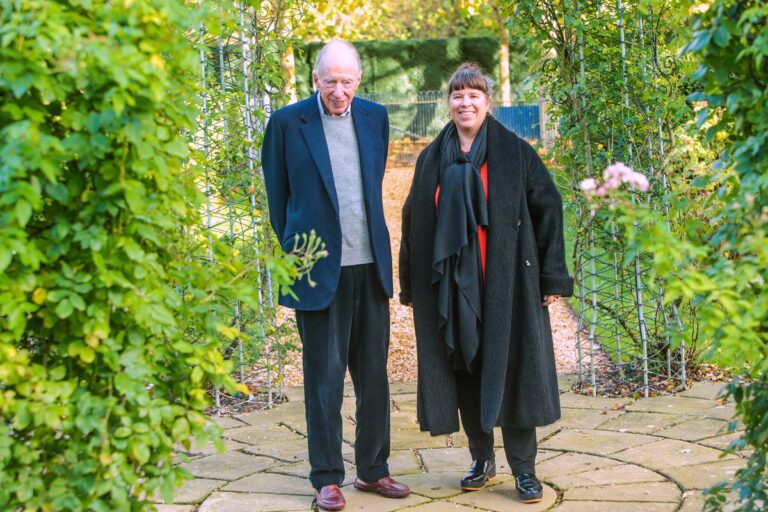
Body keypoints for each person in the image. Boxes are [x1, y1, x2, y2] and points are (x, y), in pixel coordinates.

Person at [399, 63, 573, 504]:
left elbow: (548, 208)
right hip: (453, 287)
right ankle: (481, 459)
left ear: (488, 102)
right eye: (457, 95)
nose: (465, 102)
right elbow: (412, 222)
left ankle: (525, 471)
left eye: (474, 95)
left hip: (507, 283)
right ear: (449, 103)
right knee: (466, 368)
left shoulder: (515, 153)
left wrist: (551, 276)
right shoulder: (431, 158)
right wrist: (412, 286)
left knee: (514, 371)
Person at [261, 39, 410, 511]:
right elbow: (277, 199)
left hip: (369, 267)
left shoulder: (375, 117)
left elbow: (370, 184)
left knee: (373, 377)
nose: (339, 92)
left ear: (358, 81)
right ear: (314, 81)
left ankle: (373, 470)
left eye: (347, 82)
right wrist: (298, 255)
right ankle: (326, 476)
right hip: (315, 270)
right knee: (323, 378)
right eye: (330, 82)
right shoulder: (287, 124)